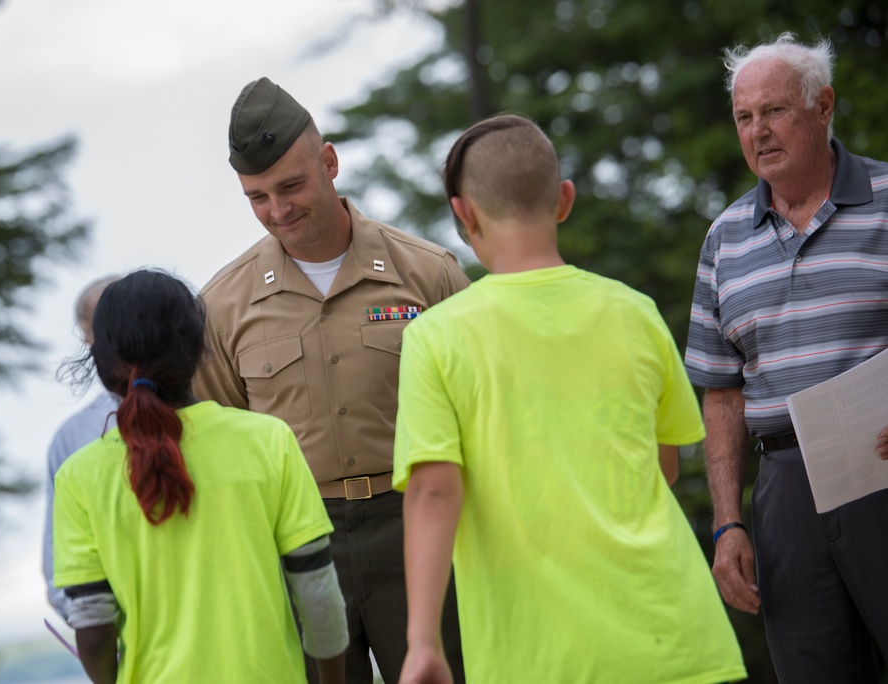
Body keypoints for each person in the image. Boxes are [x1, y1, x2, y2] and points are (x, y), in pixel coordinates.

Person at [393, 114, 746, 684]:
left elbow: (434, 490)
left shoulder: (435, 338)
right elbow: (663, 467)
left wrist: (422, 643)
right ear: (564, 200)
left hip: (539, 659)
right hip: (680, 643)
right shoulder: (636, 312)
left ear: (463, 214)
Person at [192, 77, 468, 684]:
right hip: (299, 546)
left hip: (417, 532)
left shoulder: (429, 275)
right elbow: (222, 446)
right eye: (257, 197)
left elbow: (477, 421)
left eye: (290, 186)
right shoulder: (222, 306)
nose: (278, 210)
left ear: (330, 161)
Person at [684, 32, 888, 683]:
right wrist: (727, 525)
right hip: (785, 491)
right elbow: (719, 396)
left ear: (822, 106)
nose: (757, 132)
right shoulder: (723, 240)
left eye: (773, 111)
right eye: (744, 117)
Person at [52, 269, 348, 683]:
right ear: (198, 348)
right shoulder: (267, 440)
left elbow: (94, 628)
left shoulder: (79, 477)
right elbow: (317, 593)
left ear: (102, 364)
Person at [43, 275, 120, 620]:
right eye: (102, 324)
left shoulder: (215, 403)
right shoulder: (72, 441)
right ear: (86, 339)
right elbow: (60, 562)